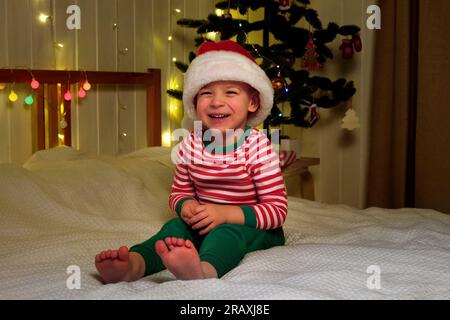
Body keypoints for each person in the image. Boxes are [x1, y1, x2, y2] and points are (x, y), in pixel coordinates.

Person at [94, 40, 288, 283]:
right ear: (194, 103)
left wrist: (226, 214)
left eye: (230, 92)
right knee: (174, 229)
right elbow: (178, 193)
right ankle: (135, 264)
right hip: (207, 220)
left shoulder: (259, 147)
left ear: (253, 102)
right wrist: (186, 206)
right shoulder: (191, 144)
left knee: (227, 234)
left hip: (253, 226)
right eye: (206, 93)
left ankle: (203, 270)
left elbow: (277, 211)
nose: (217, 101)